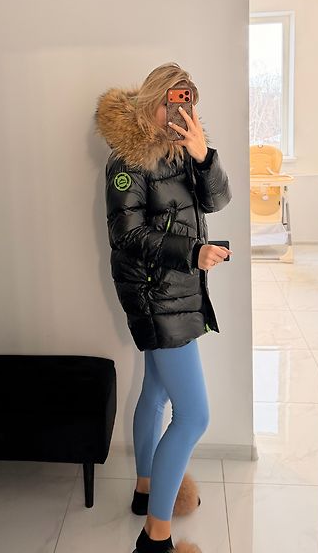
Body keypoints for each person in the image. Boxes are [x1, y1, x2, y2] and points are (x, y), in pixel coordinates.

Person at [94, 62, 232, 553]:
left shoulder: (183, 151)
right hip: (155, 294)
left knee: (155, 392)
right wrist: (192, 253)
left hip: (178, 288)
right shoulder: (126, 162)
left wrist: (203, 155)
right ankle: (155, 539)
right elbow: (127, 235)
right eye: (172, 101)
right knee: (194, 415)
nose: (179, 111)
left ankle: (146, 490)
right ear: (154, 101)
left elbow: (218, 201)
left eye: (187, 100)